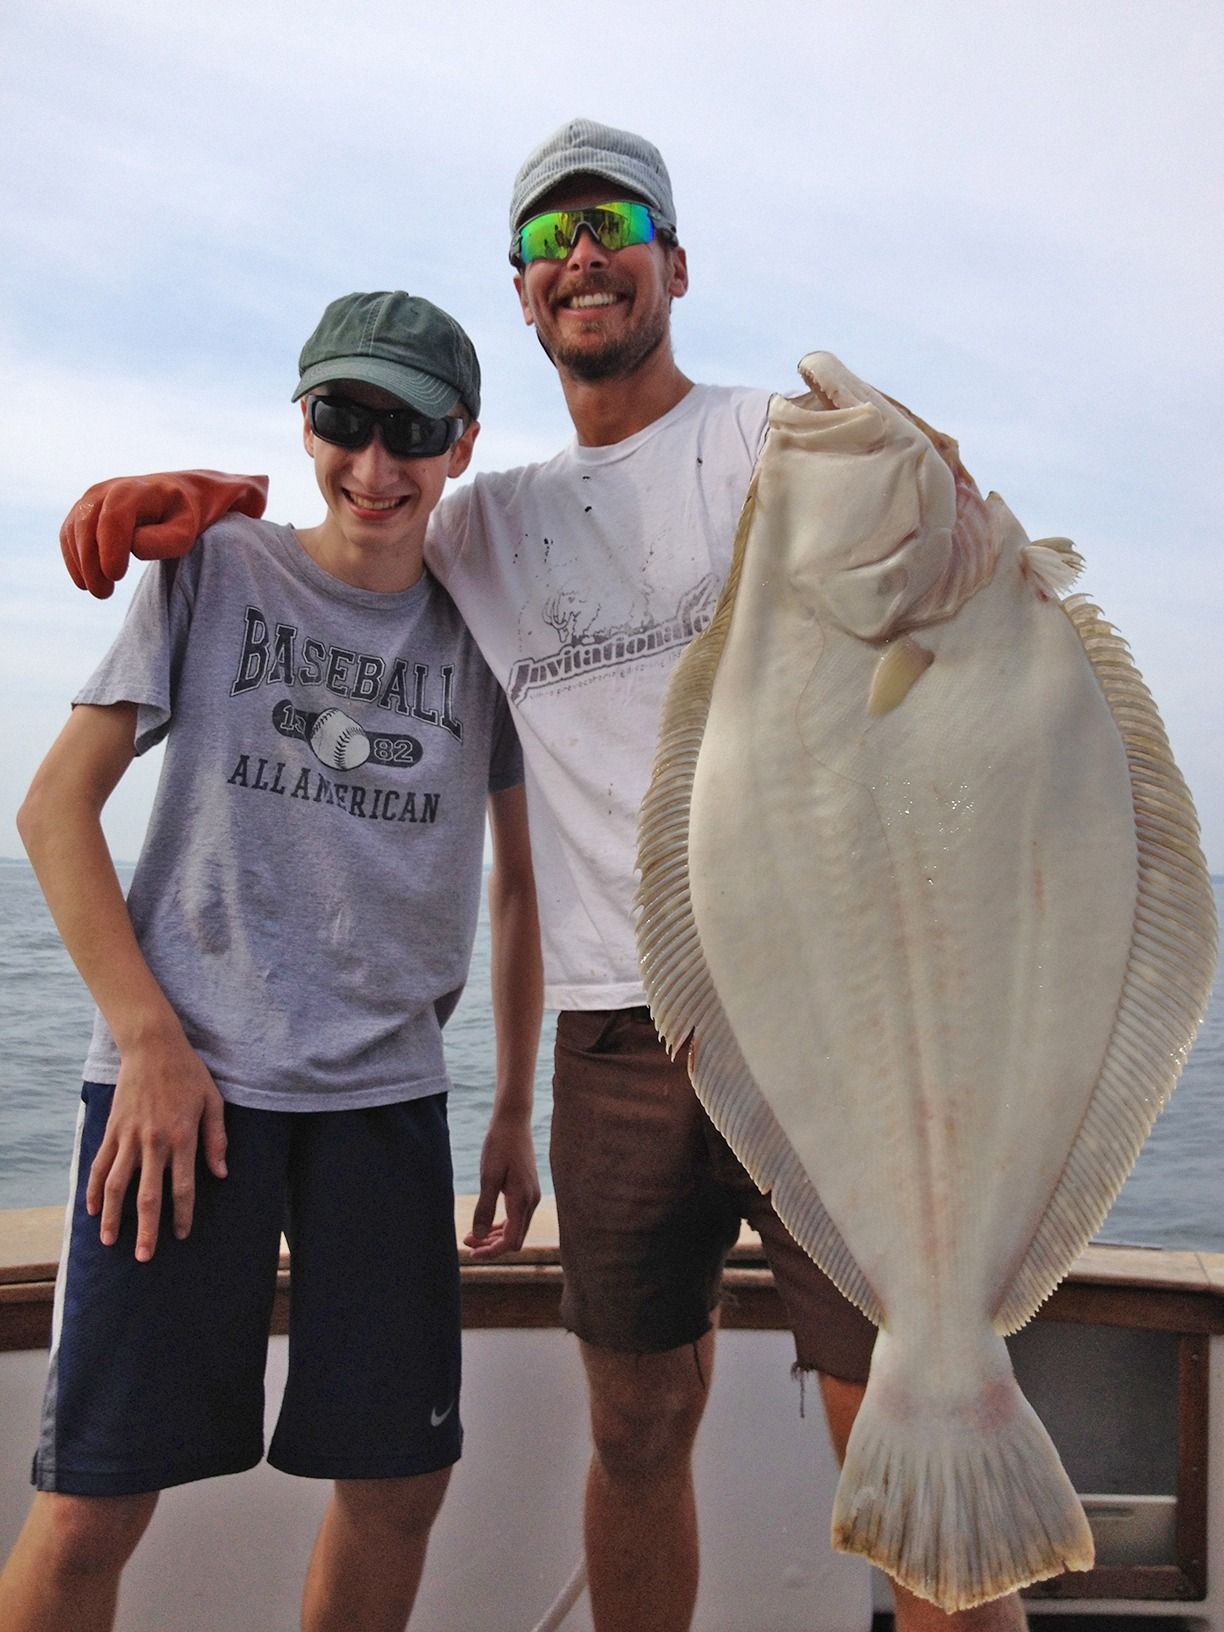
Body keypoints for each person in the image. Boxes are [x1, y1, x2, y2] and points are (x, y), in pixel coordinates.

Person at [56, 124, 1027, 1631]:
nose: (584, 248)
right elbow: (348, 521)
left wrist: (926, 461)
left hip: (829, 1021)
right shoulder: (485, 527)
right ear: (520, 296)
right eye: (548, 235)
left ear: (674, 262)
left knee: (900, 1430)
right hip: (615, 1042)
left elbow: (952, 557)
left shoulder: (781, 444)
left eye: (617, 218)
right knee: (634, 1429)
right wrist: (185, 495)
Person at [2, 289, 542, 1632]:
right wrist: (148, 1041)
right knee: (90, 1508)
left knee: (401, 1481)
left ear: (462, 442)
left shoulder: (489, 627)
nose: (375, 465)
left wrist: (515, 1109)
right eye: (344, 420)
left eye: (410, 429)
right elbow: (54, 808)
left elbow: (523, 890)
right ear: (304, 420)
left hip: (385, 1103)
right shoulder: (216, 569)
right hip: (181, 1094)